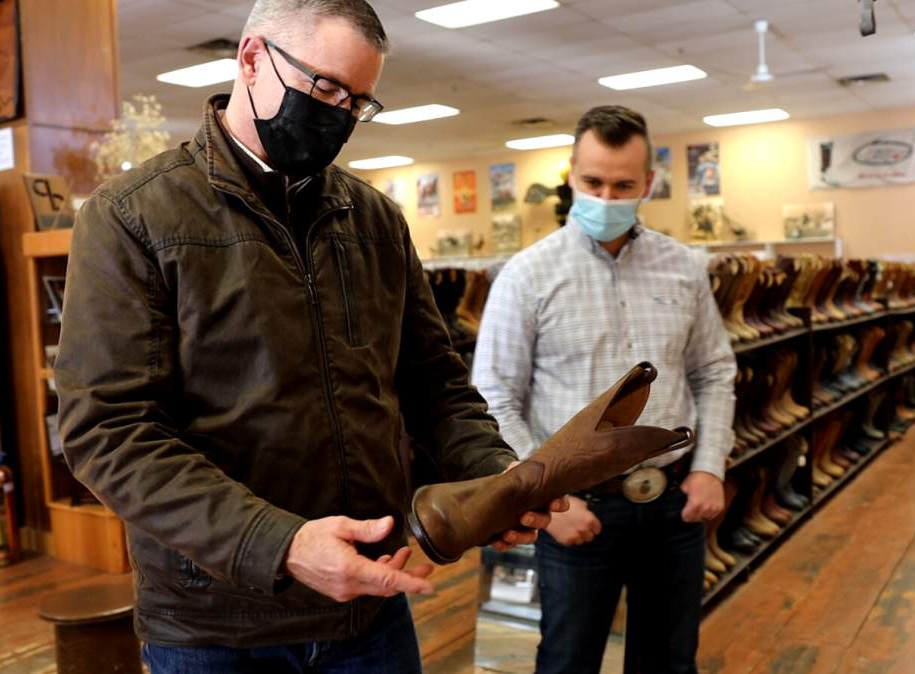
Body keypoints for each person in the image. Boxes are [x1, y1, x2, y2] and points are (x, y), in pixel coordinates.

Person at [55, 2, 563, 672]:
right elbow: (109, 430)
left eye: (358, 102)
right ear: (251, 58)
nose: (339, 114)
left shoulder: (375, 220)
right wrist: (280, 544)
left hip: (369, 607)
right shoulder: (133, 218)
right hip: (218, 624)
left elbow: (433, 384)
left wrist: (494, 476)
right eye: (324, 88)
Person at [473, 105, 737, 674]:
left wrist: (711, 465)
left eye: (623, 185)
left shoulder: (685, 267)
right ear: (572, 174)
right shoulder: (526, 275)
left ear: (649, 183)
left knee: (670, 661)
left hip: (673, 507)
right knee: (568, 661)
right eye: (593, 182)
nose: (607, 197)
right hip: (572, 509)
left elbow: (713, 371)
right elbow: (493, 397)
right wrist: (540, 498)